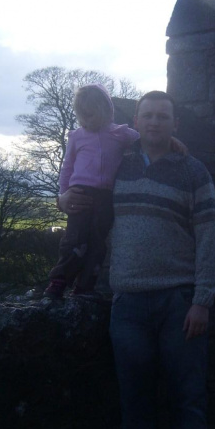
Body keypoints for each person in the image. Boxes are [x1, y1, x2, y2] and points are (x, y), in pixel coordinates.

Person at [60, 91, 215, 429]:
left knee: (186, 406)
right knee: (136, 409)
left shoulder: (192, 171)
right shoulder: (120, 162)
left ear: (174, 122)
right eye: (148, 115)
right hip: (126, 302)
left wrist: (203, 299)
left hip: (178, 302)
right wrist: (60, 202)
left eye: (163, 116)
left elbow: (209, 237)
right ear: (136, 120)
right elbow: (79, 182)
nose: (154, 122)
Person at [45, 83, 139, 298]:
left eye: (91, 115)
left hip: (106, 197)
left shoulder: (120, 134)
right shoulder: (77, 136)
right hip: (79, 193)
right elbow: (67, 167)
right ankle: (59, 280)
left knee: (98, 242)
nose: (86, 121)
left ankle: (85, 285)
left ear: (107, 110)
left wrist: (171, 141)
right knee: (74, 238)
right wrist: (62, 195)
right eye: (82, 116)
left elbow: (148, 141)